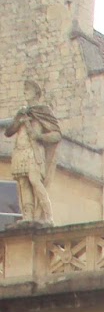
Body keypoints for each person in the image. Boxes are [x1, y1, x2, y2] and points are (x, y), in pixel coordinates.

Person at [4, 80, 62, 224]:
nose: (25, 91)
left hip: (34, 150)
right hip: (20, 150)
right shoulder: (22, 112)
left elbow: (57, 135)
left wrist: (39, 136)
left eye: (28, 89)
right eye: (24, 89)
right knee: (23, 183)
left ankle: (47, 215)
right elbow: (8, 132)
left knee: (35, 180)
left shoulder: (43, 111)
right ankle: (28, 217)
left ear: (36, 92)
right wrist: (18, 119)